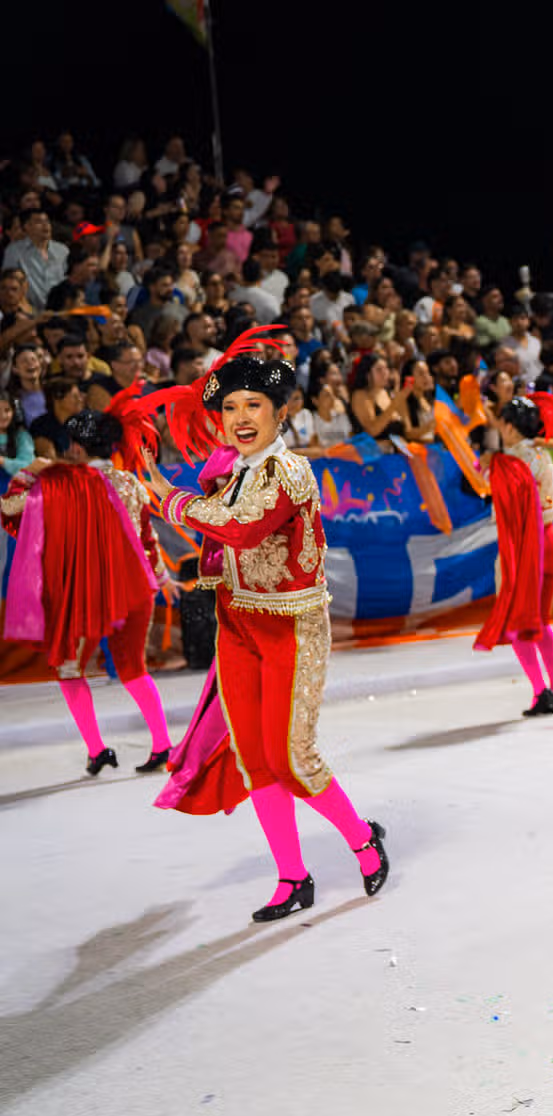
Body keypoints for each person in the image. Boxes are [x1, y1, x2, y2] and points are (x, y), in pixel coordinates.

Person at [136, 329, 392, 923]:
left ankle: (361, 840)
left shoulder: (289, 471)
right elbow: (222, 534)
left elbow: (243, 530)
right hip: (239, 625)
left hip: (293, 629)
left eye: (254, 405)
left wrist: (168, 499)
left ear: (283, 412)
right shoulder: (235, 472)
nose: (240, 417)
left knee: (293, 759)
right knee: (254, 758)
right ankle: (291, 876)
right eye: (230, 407)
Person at [1, 392, 175, 775]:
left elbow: (11, 512)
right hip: (133, 589)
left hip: (85, 595)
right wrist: (162, 577)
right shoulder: (130, 482)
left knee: (69, 669)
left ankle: (97, 750)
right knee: (134, 669)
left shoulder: (58, 484)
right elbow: (147, 537)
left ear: (76, 448)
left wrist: (29, 472)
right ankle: (163, 745)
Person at [475, 393, 553, 716]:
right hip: (551, 541)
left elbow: (480, 479)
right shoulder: (542, 454)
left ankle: (539, 691)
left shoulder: (509, 461)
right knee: (541, 621)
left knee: (520, 626)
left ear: (509, 426)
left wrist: (485, 457)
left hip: (527, 548)